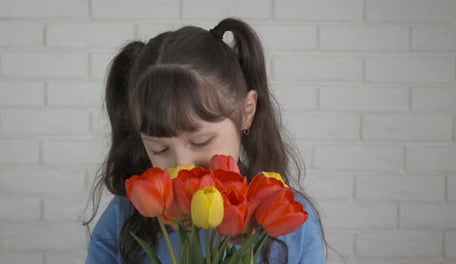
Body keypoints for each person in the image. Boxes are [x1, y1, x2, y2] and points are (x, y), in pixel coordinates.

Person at [84, 17, 326, 264]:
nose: (182, 166)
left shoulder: (286, 216)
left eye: (200, 142)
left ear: (247, 111)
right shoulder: (125, 216)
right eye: (160, 148)